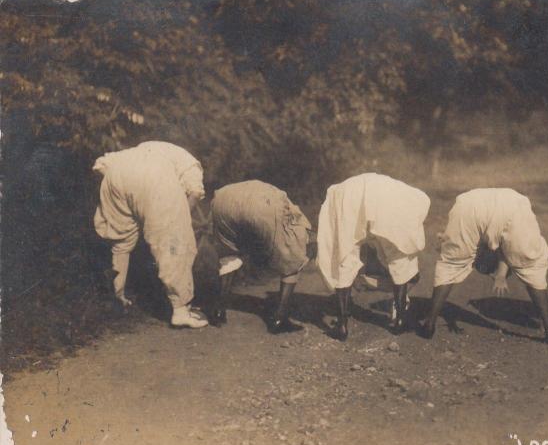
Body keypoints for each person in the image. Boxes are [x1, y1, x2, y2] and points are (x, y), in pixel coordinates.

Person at [93, 141, 208, 328]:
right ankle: (180, 310)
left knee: (122, 240)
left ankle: (117, 296)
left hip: (116, 171)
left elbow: (101, 164)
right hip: (154, 175)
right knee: (173, 242)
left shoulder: (150, 148)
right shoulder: (191, 164)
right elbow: (194, 193)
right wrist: (178, 222)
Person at [418, 188, 548, 343]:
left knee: (451, 264)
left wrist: (499, 276)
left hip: (468, 205)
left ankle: (429, 323)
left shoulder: (486, 246)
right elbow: (504, 250)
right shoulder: (494, 248)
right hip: (511, 207)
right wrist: (500, 275)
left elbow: (501, 250)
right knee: (532, 266)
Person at [317, 173, 430, 341]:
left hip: (350, 198)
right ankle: (399, 320)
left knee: (345, 256)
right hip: (382, 200)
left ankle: (342, 324)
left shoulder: (340, 191)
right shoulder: (407, 196)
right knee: (398, 257)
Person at [210, 180, 313, 333]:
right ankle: (280, 318)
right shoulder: (295, 214)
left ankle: (218, 310)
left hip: (221, 200)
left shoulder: (278, 197)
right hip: (261, 204)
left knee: (230, 253)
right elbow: (297, 235)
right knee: (293, 256)